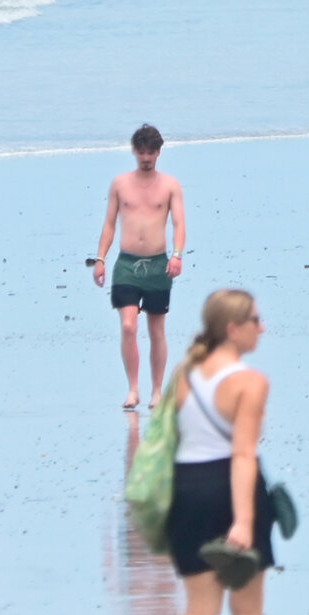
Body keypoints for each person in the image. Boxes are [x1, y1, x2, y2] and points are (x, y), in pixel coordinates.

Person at [135, 288, 274, 615]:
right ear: (233, 329)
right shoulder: (249, 383)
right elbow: (242, 456)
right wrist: (244, 521)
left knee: (197, 613)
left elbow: (167, 441)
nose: (262, 326)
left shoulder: (184, 373)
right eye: (256, 319)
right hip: (229, 492)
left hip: (186, 492)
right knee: (247, 611)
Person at [93, 124, 188, 411]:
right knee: (128, 325)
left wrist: (177, 255)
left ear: (159, 153)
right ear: (134, 151)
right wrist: (100, 259)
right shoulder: (120, 184)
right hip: (127, 264)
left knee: (157, 329)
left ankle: (157, 391)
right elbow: (109, 224)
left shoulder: (170, 185)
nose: (146, 157)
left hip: (159, 263)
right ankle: (133, 389)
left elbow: (179, 223)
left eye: (151, 152)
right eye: (142, 152)